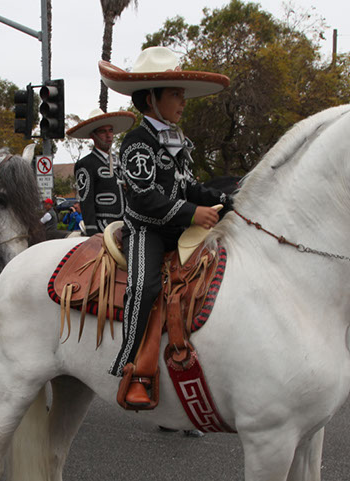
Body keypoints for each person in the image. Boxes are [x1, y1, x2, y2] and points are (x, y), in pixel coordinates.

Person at [99, 46, 232, 406]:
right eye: (176, 93)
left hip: (179, 225)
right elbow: (143, 199)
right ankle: (129, 365)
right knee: (146, 285)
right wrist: (192, 213)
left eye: (182, 94)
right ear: (152, 98)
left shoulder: (177, 139)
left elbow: (189, 184)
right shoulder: (136, 143)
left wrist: (229, 200)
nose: (183, 101)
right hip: (147, 229)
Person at [67, 108, 136, 235]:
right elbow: (86, 199)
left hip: (126, 222)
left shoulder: (119, 161)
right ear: (93, 136)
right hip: (103, 225)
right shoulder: (86, 163)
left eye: (110, 130)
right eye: (103, 132)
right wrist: (92, 231)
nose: (109, 135)